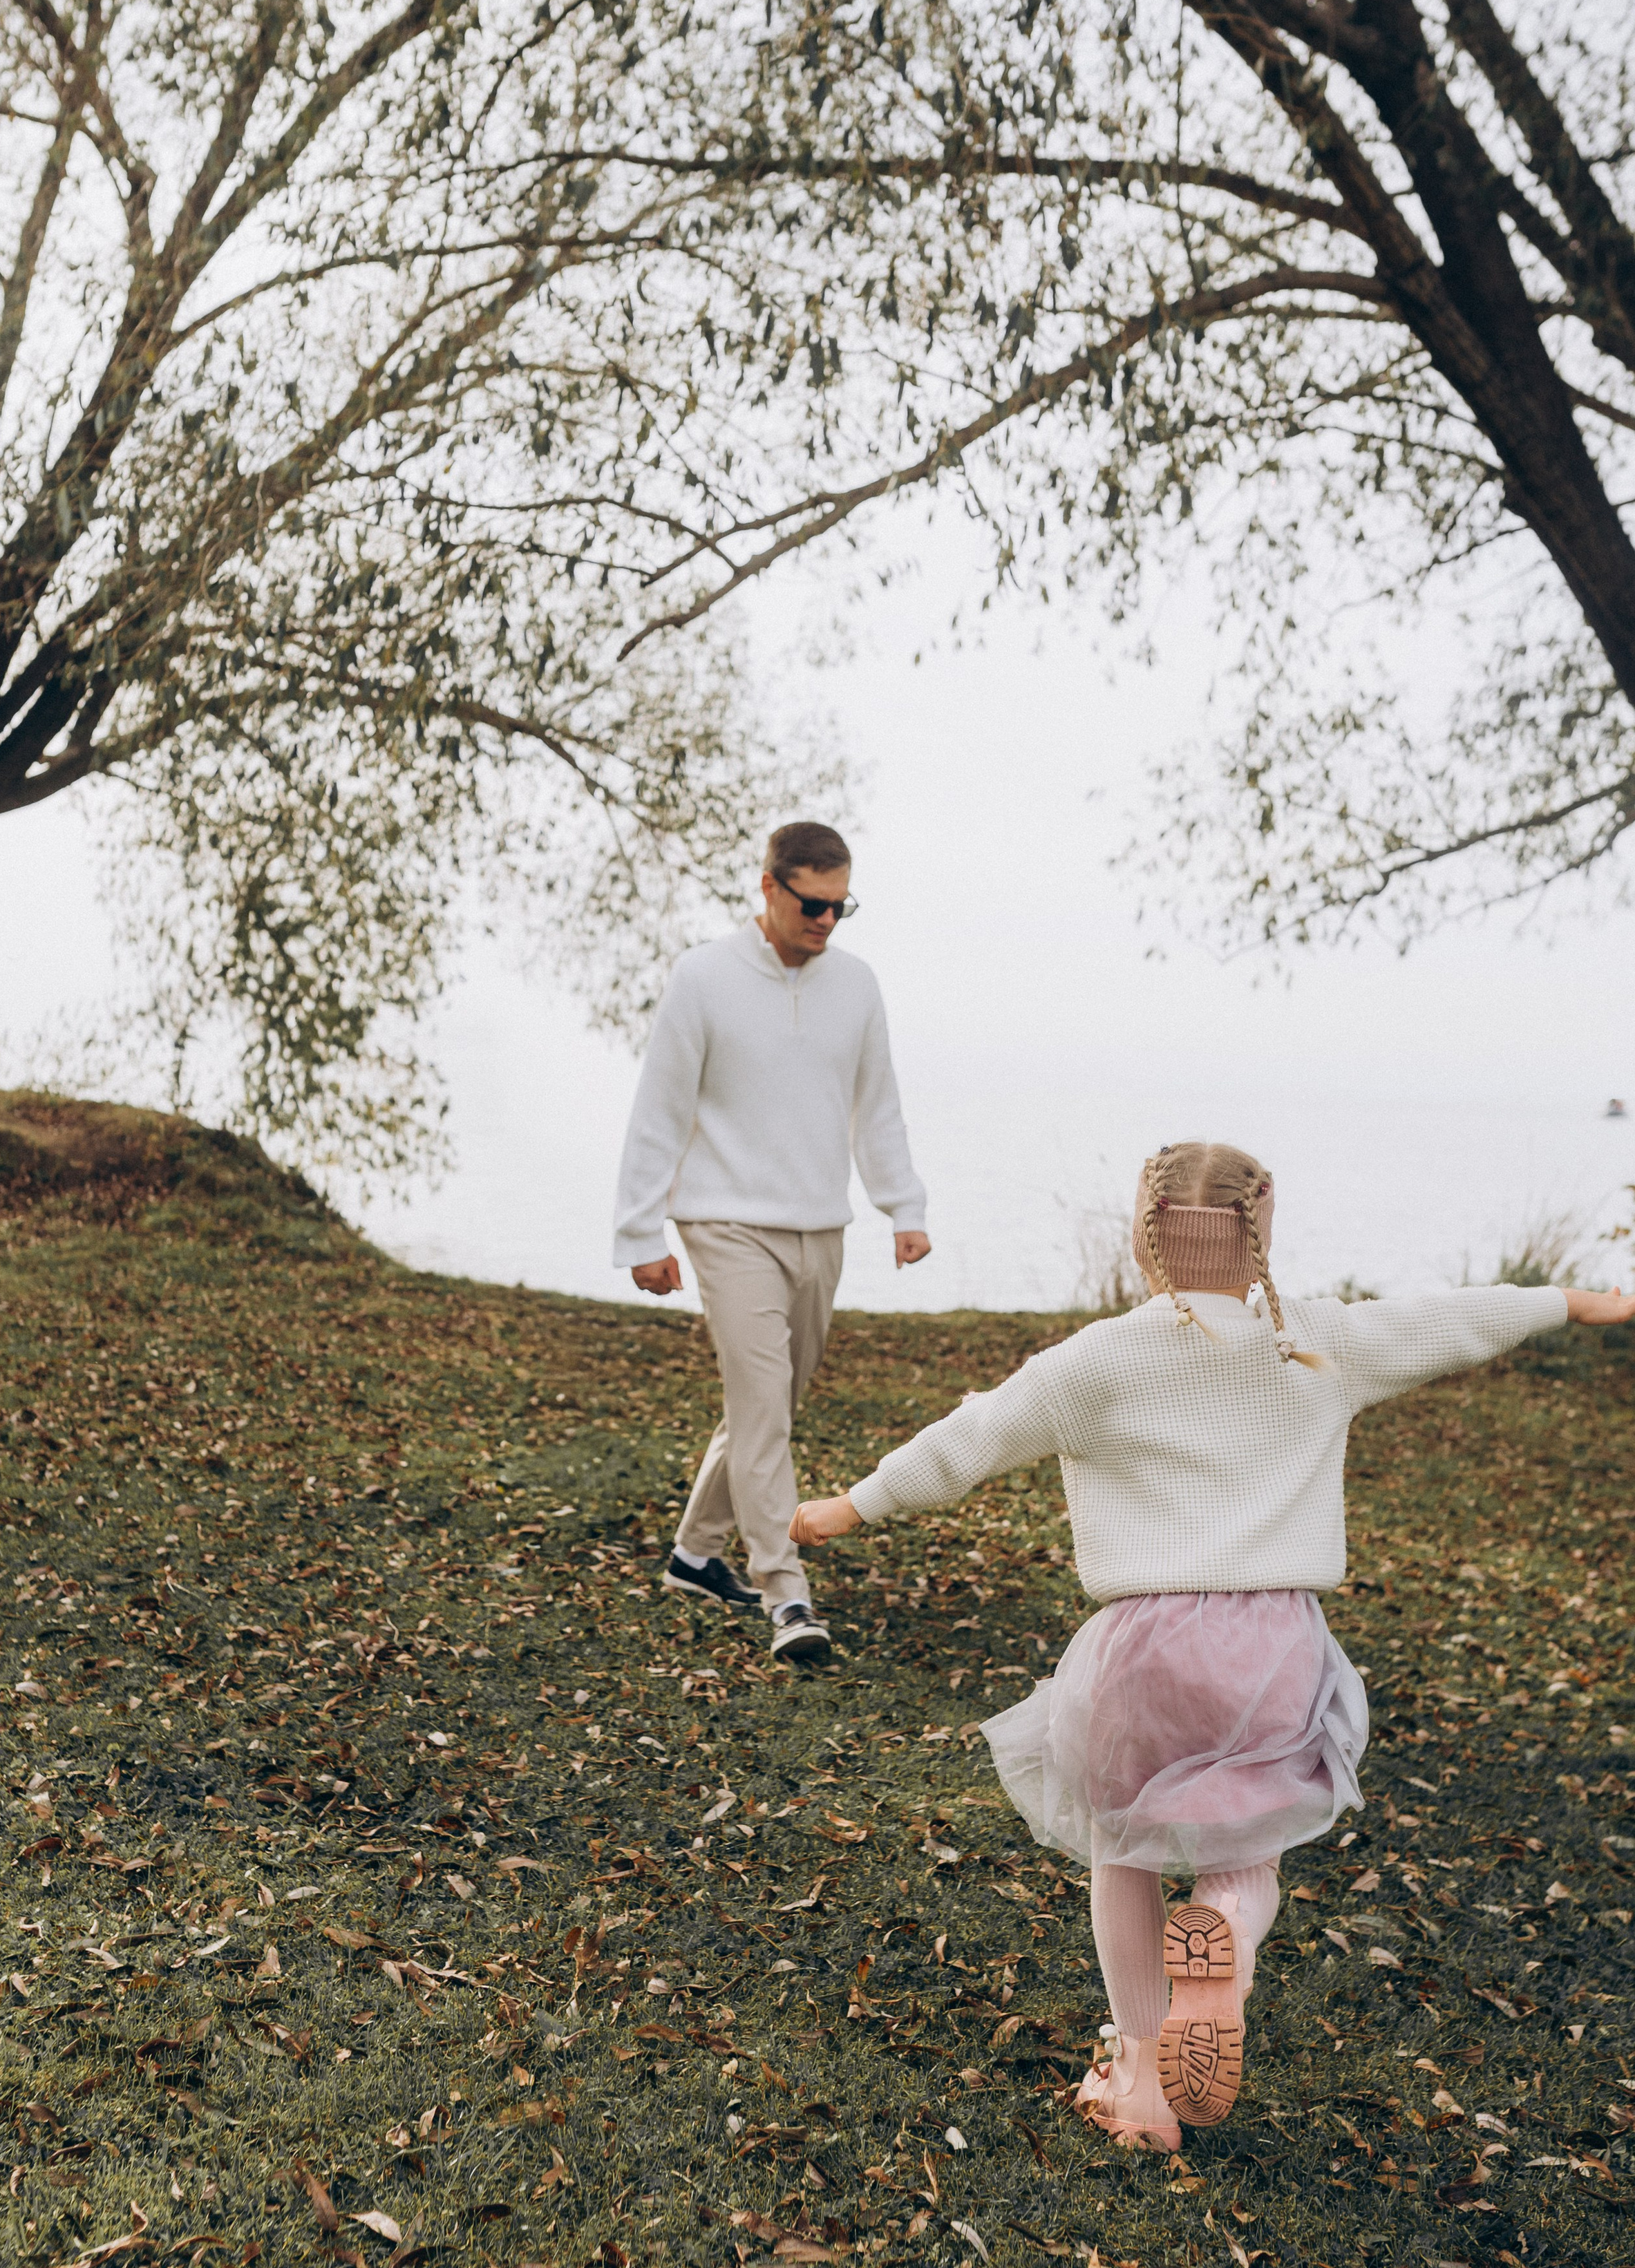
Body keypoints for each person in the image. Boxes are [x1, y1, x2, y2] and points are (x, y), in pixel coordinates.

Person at [791, 1138, 1635, 2146]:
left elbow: (967, 1440)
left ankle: (1143, 2085)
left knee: (1123, 1851)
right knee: (1246, 1854)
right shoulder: (1315, 1342)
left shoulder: (1096, 1359)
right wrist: (1572, 1303)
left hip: (1138, 1654)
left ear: (1143, 1234)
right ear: (1261, 1226)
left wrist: (849, 1507)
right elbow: (1451, 1321)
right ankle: (1226, 1941)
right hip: (1272, 1650)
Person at [614, 820, 930, 1665]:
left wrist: (904, 1207)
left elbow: (879, 1102)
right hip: (721, 1219)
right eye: (813, 904)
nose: (828, 921)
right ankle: (786, 1594)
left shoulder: (857, 986)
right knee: (763, 1406)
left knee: (770, 1407)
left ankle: (694, 1555)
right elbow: (660, 1110)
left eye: (841, 905)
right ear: (768, 887)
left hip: (819, 1222)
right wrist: (641, 1229)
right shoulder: (704, 978)